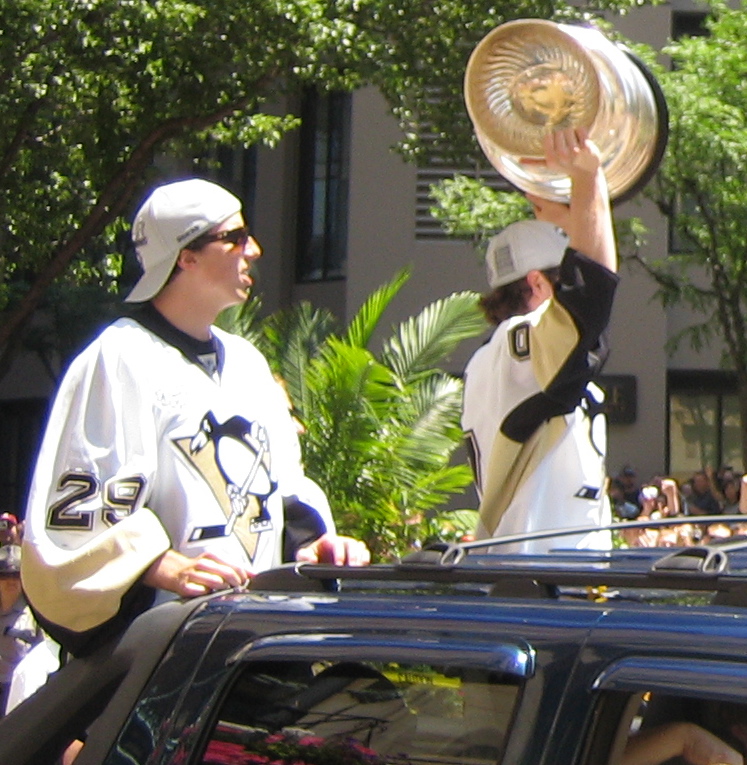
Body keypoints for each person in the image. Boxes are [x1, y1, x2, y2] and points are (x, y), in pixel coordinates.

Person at [21, 178, 370, 659]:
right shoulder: (119, 358)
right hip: (159, 657)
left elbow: (280, 493)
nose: (254, 250)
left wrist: (315, 548)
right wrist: (163, 566)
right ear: (186, 256)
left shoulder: (246, 362)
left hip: (251, 647)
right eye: (236, 237)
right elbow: (77, 514)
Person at [461, 126, 618, 553]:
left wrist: (581, 199)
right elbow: (588, 300)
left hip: (554, 584)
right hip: (532, 587)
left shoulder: (509, 355)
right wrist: (587, 178)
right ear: (538, 282)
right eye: (561, 275)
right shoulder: (511, 351)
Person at [0, 545, 42, 716]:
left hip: (19, 696)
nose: (11, 581)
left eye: (17, 575)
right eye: (4, 575)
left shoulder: (38, 612)